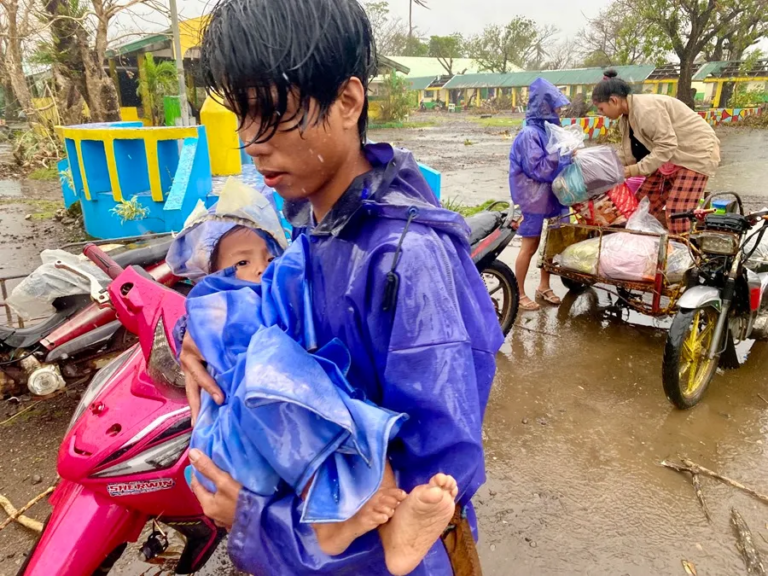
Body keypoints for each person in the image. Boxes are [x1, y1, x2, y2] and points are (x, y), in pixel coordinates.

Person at [179, 0, 504, 575]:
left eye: (271, 114)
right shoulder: (315, 229)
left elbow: (427, 488)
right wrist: (199, 333)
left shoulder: (407, 260)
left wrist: (257, 520)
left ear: (348, 101)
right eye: (241, 117)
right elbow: (268, 304)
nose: (252, 142)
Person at [592, 70, 721, 234]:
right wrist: (602, 169)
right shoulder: (626, 118)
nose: (601, 114)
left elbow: (666, 145)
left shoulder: (646, 110)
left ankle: (682, 253)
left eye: (601, 109)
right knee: (640, 206)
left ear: (614, 100)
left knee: (676, 213)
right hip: (670, 157)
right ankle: (639, 248)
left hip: (695, 154)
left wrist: (633, 170)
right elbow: (627, 154)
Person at [509, 78, 570, 311]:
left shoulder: (550, 130)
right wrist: (559, 151)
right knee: (530, 244)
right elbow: (538, 169)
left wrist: (568, 152)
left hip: (552, 194)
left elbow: (558, 161)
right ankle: (519, 292)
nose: (558, 111)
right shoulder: (529, 134)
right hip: (532, 196)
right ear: (543, 106)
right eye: (555, 106)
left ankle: (543, 286)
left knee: (551, 243)